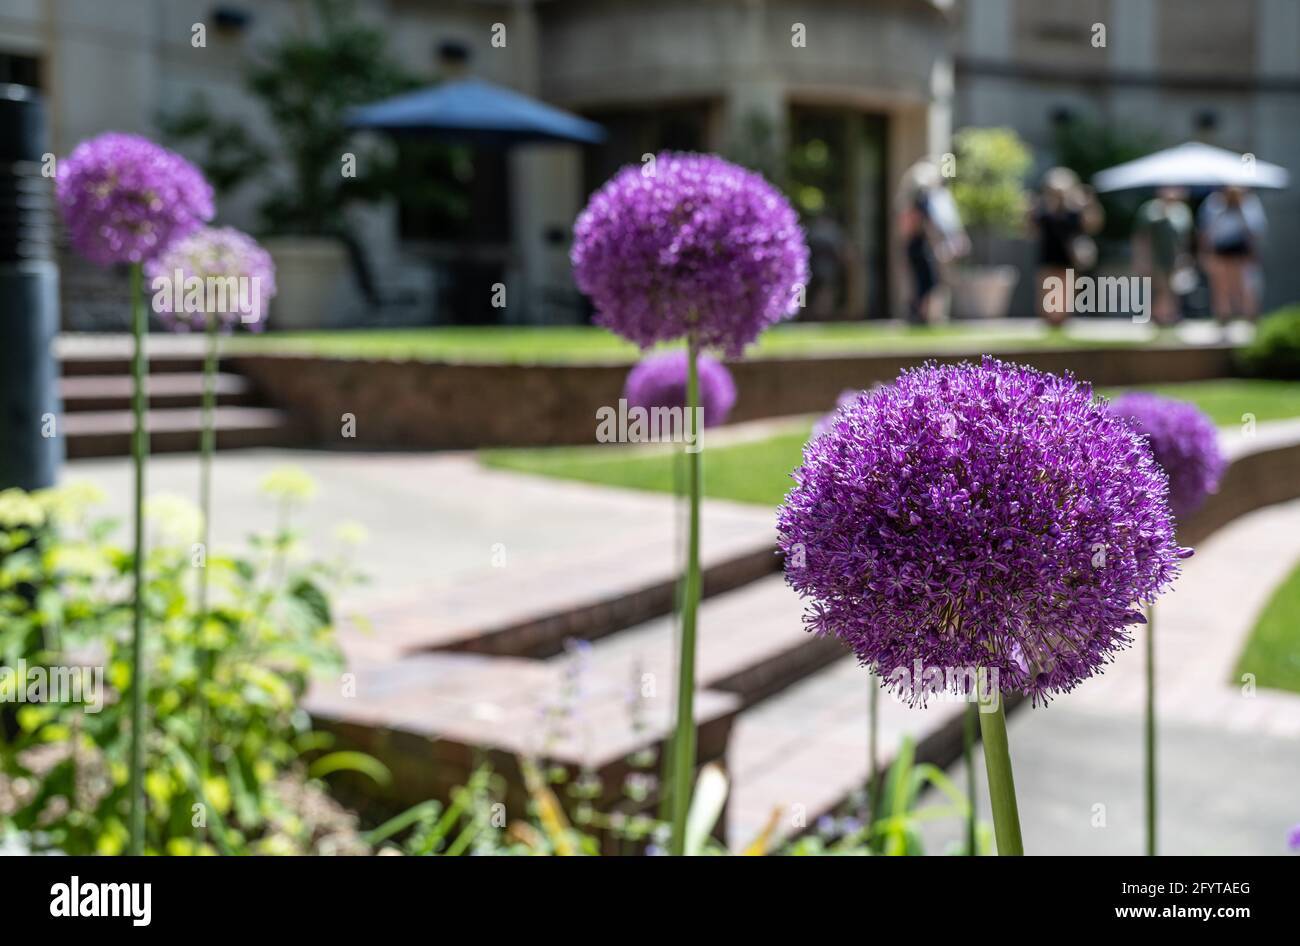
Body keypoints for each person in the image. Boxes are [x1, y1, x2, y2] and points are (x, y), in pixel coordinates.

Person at [1029, 167, 1103, 327]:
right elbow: (1029, 230)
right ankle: (1050, 323)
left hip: (1068, 261)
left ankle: (1060, 323)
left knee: (1064, 300)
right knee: (1048, 300)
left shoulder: (1074, 213)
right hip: (1048, 259)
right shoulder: (1043, 213)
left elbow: (1093, 225)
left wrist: (1091, 203)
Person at [896, 160, 968, 324]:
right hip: (920, 247)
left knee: (924, 282)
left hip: (917, 246)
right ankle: (922, 315)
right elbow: (930, 224)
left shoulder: (916, 201)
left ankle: (923, 314)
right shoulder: (922, 202)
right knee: (927, 282)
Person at [1198, 185, 1267, 325]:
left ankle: (1249, 318)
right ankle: (1224, 317)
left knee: (1246, 286)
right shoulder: (1213, 203)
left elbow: (1257, 231)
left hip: (1243, 252)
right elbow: (1206, 231)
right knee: (1221, 286)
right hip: (1221, 250)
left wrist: (1239, 208)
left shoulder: (1250, 203)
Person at [1132, 187, 1195, 326]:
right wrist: (1141, 258)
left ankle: (1170, 314)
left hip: (1174, 257)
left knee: (1173, 287)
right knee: (1160, 287)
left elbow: (1185, 237)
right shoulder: (1150, 209)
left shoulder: (1182, 211)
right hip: (1155, 256)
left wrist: (1185, 256)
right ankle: (1158, 316)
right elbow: (1142, 237)